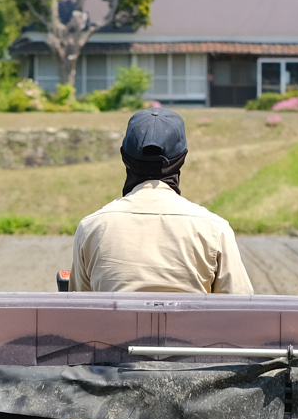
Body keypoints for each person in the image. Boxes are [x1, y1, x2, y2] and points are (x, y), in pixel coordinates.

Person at [70, 108, 251, 293]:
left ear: (125, 157)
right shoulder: (214, 229)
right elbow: (241, 309)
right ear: (182, 158)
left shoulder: (91, 228)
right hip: (190, 323)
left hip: (115, 323)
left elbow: (81, 310)